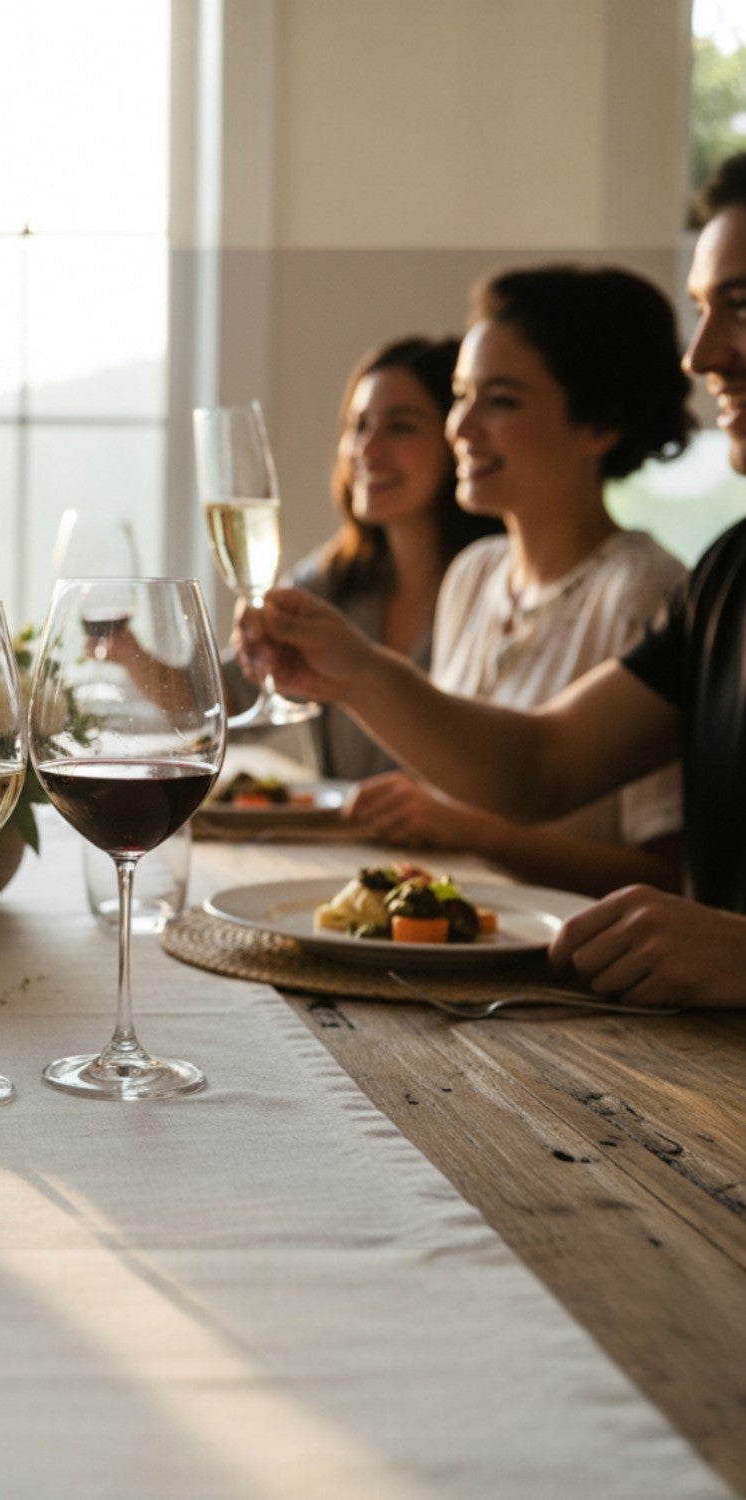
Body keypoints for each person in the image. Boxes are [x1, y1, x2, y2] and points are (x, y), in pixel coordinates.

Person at [236, 151, 746, 1007]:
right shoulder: (729, 574)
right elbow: (540, 765)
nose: (701, 356)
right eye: (700, 311)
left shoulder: (648, 580)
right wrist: (357, 670)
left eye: (738, 307)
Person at [343, 265, 693, 899]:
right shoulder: (475, 575)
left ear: (600, 425)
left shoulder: (645, 593)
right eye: (459, 395)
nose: (461, 427)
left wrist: (472, 831)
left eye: (500, 400)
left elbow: (668, 880)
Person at [268, 336, 501, 780]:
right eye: (358, 426)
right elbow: (224, 699)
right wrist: (126, 646)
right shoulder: (333, 580)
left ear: (456, 438)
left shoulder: (494, 585)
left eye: (401, 427)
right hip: (348, 850)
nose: (367, 450)